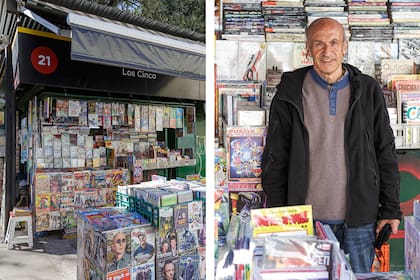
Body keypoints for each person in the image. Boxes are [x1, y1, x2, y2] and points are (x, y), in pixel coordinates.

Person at [261, 17, 402, 273]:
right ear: (308, 49)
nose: (327, 51)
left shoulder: (368, 89)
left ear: (345, 46)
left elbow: (385, 152)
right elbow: (275, 157)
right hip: (306, 222)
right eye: (319, 44)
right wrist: (280, 215)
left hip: (360, 220)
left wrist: (390, 208)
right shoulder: (290, 91)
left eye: (334, 42)